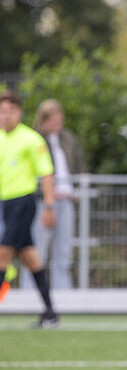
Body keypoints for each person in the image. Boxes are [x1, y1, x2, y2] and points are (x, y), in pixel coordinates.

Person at [0, 90, 59, 326]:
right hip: (5, 204)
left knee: (3, 253)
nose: (5, 116)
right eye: (2, 111)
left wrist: (50, 206)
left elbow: (46, 173)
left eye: (10, 111)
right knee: (31, 258)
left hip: (23, 203)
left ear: (19, 112)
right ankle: (50, 313)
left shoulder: (31, 139)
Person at [19, 99, 85, 290]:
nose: (57, 124)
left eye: (59, 120)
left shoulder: (68, 138)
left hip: (65, 200)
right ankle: (29, 292)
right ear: (44, 120)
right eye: (53, 121)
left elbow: (78, 164)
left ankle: (63, 293)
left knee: (63, 251)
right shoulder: (35, 140)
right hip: (42, 202)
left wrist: (77, 187)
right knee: (36, 250)